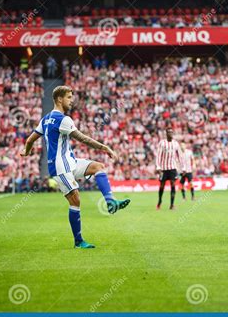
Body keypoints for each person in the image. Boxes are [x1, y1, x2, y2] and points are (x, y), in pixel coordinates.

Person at [20, 85, 130, 249]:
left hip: (70, 161)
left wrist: (27, 152)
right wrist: (105, 148)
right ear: (59, 99)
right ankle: (78, 241)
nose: (71, 101)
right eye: (69, 97)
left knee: (98, 167)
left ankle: (110, 202)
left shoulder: (45, 119)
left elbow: (29, 140)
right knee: (76, 200)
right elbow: (83, 139)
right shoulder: (63, 119)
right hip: (60, 167)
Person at [155, 128, 183, 210]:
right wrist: (158, 167)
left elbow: (180, 155)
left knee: (173, 185)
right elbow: (158, 155)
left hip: (172, 168)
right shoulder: (162, 143)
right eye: (169, 132)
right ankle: (159, 201)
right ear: (166, 134)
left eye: (172, 132)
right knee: (162, 186)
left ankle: (172, 205)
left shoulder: (175, 144)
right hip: (163, 169)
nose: (171, 134)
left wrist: (182, 167)